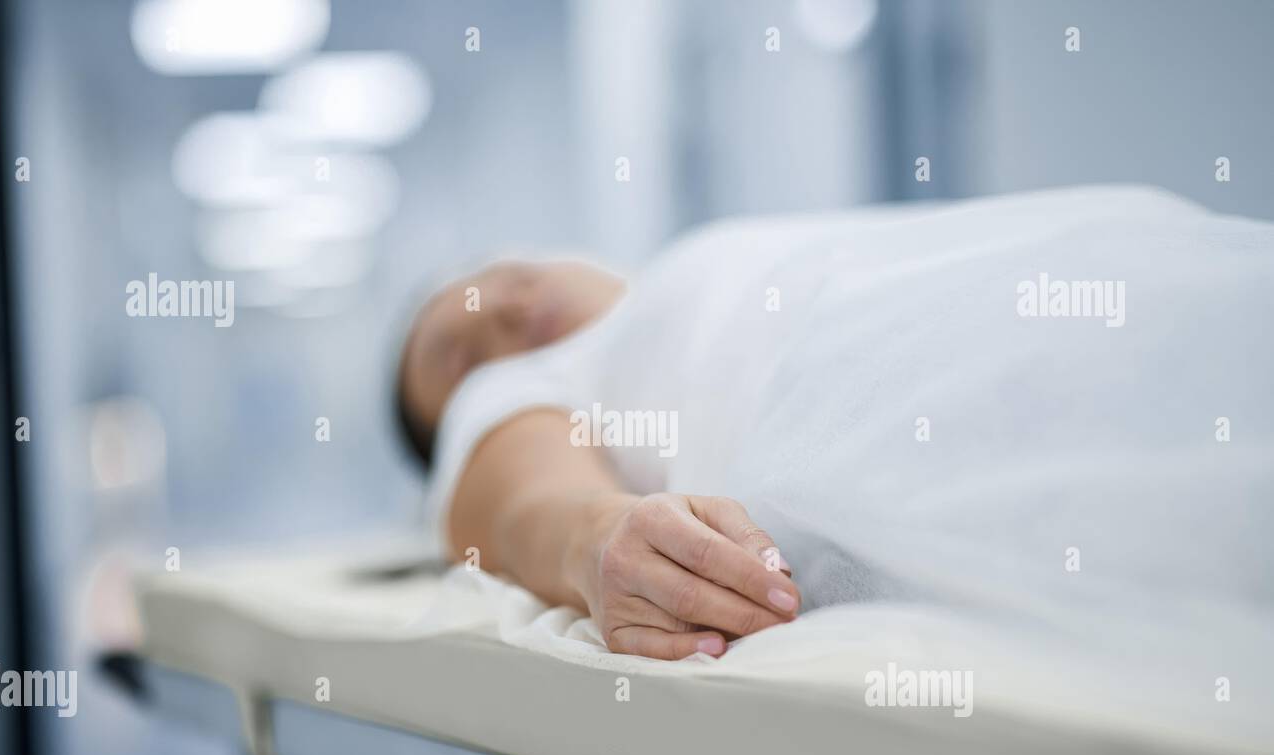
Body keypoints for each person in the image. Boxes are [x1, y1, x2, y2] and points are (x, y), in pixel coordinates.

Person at [394, 187, 1274, 661]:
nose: (496, 308)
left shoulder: (667, 280)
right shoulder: (523, 387)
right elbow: (527, 508)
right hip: (896, 402)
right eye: (456, 353)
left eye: (497, 275)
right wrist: (597, 542)